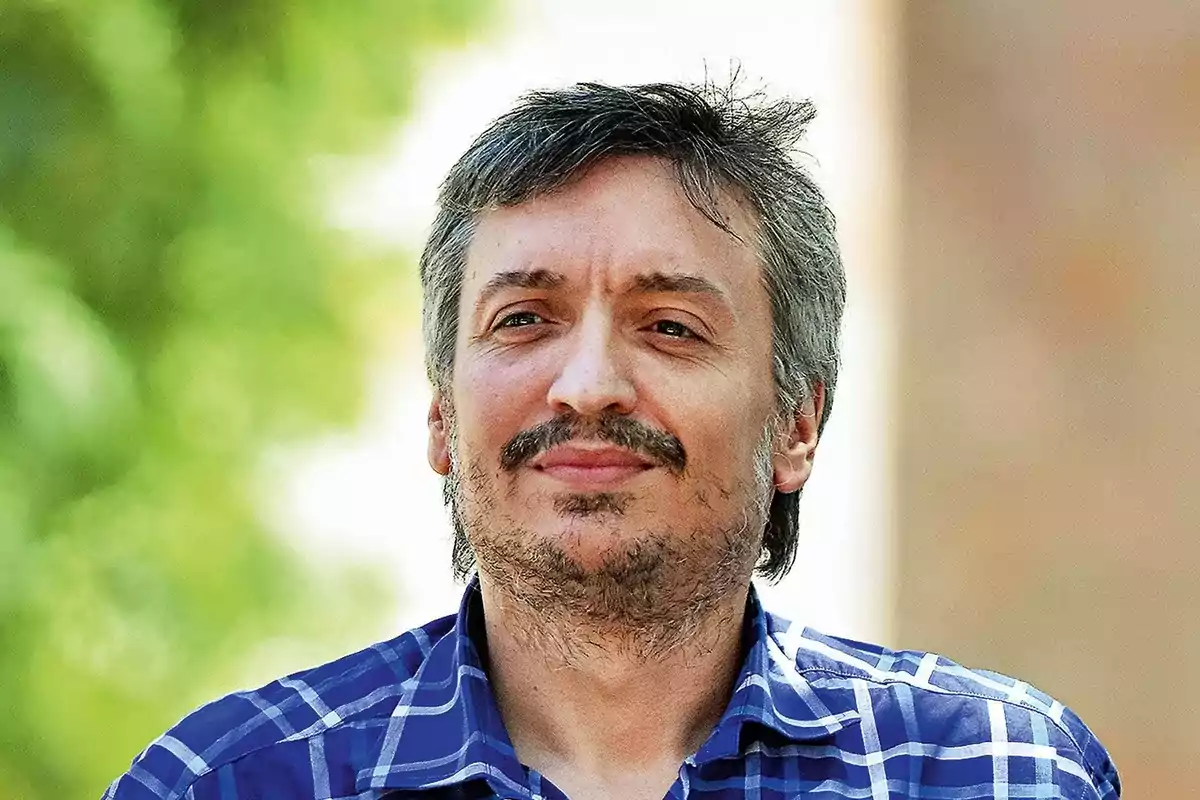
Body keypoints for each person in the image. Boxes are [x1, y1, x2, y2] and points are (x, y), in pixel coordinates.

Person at [105, 82, 1121, 800]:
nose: (587, 383)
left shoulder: (1003, 772)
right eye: (523, 320)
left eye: (670, 325)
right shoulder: (225, 782)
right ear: (442, 417)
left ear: (797, 421)